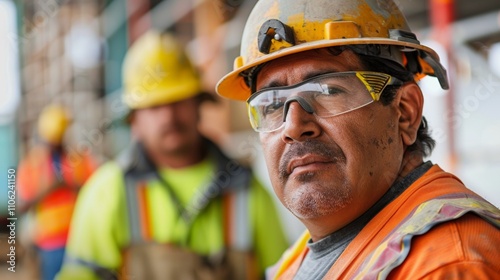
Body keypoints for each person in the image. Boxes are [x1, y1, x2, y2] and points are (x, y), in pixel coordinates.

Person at [216, 0, 500, 279]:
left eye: (327, 91)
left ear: (405, 112)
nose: (293, 126)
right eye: (273, 104)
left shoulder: (449, 263)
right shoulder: (303, 257)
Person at [57, 31, 288, 280]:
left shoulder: (247, 190)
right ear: (134, 119)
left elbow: (284, 274)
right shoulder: (106, 191)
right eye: (155, 107)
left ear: (199, 104)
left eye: (178, 101)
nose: (169, 117)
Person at [18, 104, 97, 280]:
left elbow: (95, 189)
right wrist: (50, 188)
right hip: (51, 242)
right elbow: (21, 205)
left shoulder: (78, 157)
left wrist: (70, 186)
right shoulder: (32, 163)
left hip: (79, 236)